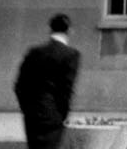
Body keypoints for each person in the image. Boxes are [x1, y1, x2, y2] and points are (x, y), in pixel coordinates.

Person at [13, 13, 81, 149]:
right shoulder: (71, 55)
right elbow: (66, 89)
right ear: (69, 30)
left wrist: (26, 108)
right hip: (53, 115)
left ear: (50, 29)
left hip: (32, 113)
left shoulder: (34, 52)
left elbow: (19, 85)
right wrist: (62, 114)